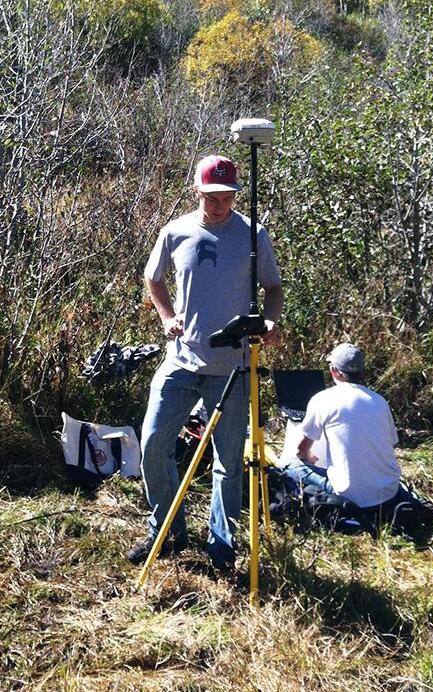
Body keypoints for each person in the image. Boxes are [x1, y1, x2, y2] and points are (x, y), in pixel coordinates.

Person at [128, 154, 283, 573]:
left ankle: (222, 543)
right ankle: (167, 529)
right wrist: (166, 316)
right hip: (180, 360)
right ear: (196, 189)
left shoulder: (253, 235)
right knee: (154, 444)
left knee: (229, 460)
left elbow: (273, 287)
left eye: (227, 195)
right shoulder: (176, 232)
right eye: (211, 195)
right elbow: (153, 277)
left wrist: (269, 320)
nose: (219, 203)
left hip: (233, 366)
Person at [280, 343, 402, 509]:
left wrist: (309, 458)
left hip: (349, 495)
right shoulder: (380, 401)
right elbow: (390, 444)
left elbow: (300, 451)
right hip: (389, 492)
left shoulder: (323, 399)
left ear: (334, 371)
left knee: (289, 465)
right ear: (362, 372)